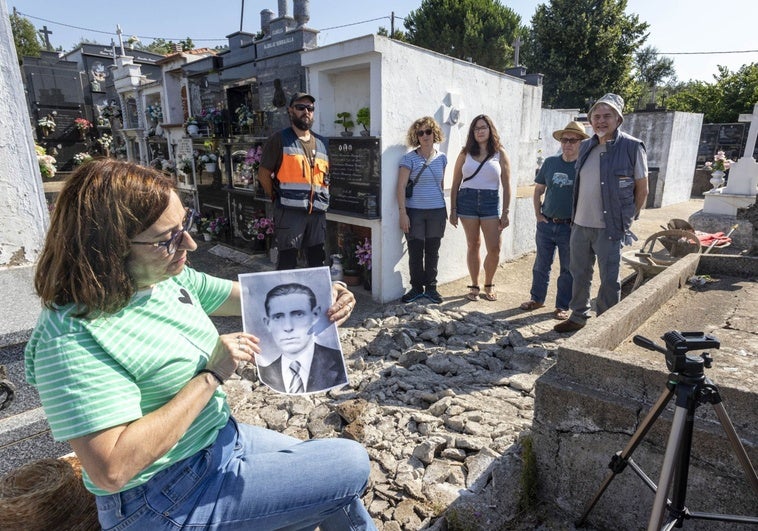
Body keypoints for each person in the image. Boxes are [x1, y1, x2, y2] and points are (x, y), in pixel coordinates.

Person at [24, 160, 375, 530]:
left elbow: (251, 298)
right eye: (168, 239)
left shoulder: (162, 279)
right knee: (349, 463)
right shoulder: (70, 336)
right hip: (160, 498)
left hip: (219, 439)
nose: (190, 243)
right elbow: (112, 469)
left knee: (326, 481)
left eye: (184, 225)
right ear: (109, 249)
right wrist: (211, 374)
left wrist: (324, 296)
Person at [554, 94, 649, 333]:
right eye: (596, 116)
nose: (601, 121)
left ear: (618, 119)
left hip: (610, 226)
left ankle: (606, 325)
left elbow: (643, 189)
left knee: (609, 278)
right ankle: (578, 316)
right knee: (579, 274)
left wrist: (627, 220)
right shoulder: (586, 146)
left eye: (607, 116)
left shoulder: (632, 147)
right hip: (579, 224)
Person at [520, 120, 589, 319]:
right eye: (564, 140)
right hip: (547, 224)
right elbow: (539, 189)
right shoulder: (550, 163)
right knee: (541, 265)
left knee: (568, 268)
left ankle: (562, 306)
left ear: (580, 143)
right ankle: (537, 299)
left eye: (572, 140)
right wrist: (538, 214)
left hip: (570, 226)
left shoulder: (583, 167)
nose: (568, 144)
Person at [258, 92, 330, 271]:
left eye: (310, 108)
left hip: (317, 212)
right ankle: (285, 298)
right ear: (291, 111)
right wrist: (275, 196)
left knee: (317, 261)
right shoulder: (280, 139)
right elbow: (264, 173)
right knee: (287, 261)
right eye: (300, 107)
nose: (306, 111)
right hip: (289, 212)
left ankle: (315, 298)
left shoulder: (322, 143)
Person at [449, 114, 511, 302]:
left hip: (490, 201)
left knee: (494, 247)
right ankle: (474, 284)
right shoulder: (465, 152)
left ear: (490, 130)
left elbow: (507, 185)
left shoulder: (499, 152)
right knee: (473, 244)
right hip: (466, 199)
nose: (480, 131)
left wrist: (506, 212)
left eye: (483, 127)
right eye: (476, 128)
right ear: (472, 132)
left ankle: (489, 283)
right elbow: (455, 182)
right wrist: (452, 209)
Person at [258, 282, 348, 394]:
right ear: (268, 323)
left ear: (315, 315)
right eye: (278, 317)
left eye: (298, 314)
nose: (288, 327)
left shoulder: (339, 365)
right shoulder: (263, 374)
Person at [396, 116, 448, 303]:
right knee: (415, 251)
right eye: (420, 132)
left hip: (437, 211)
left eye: (428, 131)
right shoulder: (408, 158)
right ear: (415, 136)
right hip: (415, 212)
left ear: (435, 133)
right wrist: (403, 213)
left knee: (433, 251)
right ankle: (417, 288)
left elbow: (440, 185)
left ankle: (431, 288)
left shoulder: (442, 158)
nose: (425, 135)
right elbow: (401, 186)